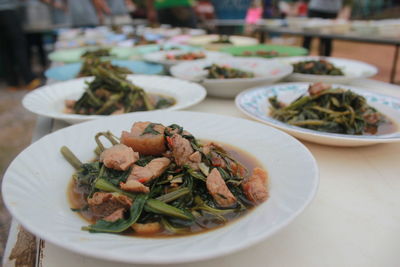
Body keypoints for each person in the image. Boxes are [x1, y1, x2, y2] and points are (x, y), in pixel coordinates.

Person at [0, 0, 41, 90]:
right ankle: (29, 80)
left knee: (3, 49)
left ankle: (12, 82)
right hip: (8, 12)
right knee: (19, 47)